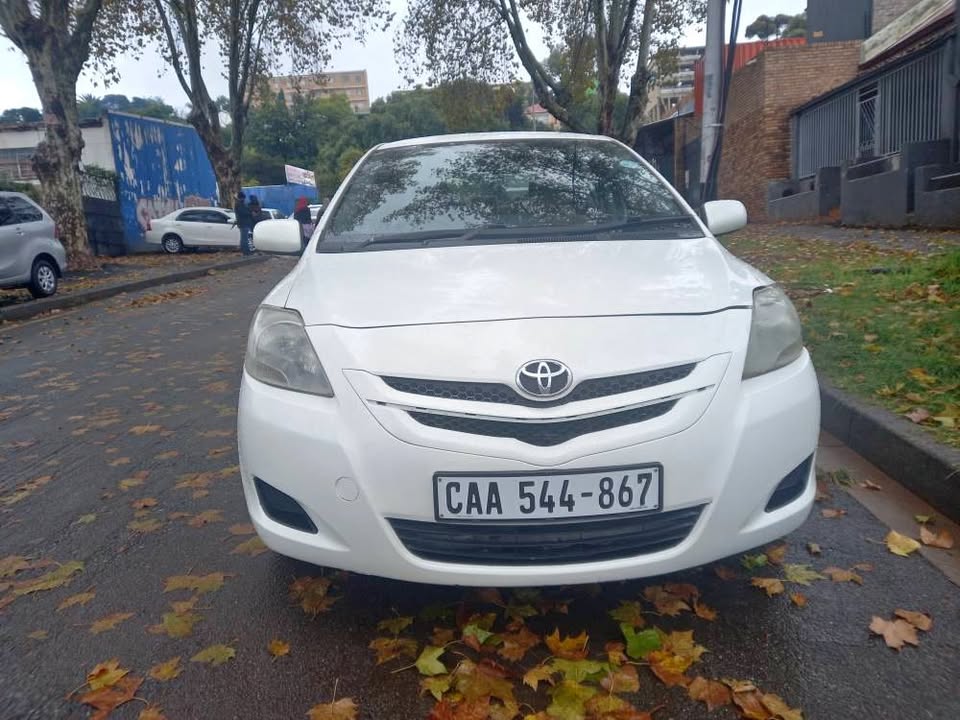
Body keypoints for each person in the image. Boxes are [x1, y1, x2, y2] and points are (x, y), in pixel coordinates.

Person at [234, 191, 253, 256]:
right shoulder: (239, 204)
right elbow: (243, 213)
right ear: (241, 198)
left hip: (243, 223)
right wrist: (250, 213)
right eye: (243, 198)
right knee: (244, 239)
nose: (244, 199)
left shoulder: (240, 204)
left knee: (245, 238)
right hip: (243, 223)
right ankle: (246, 252)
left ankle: (246, 251)